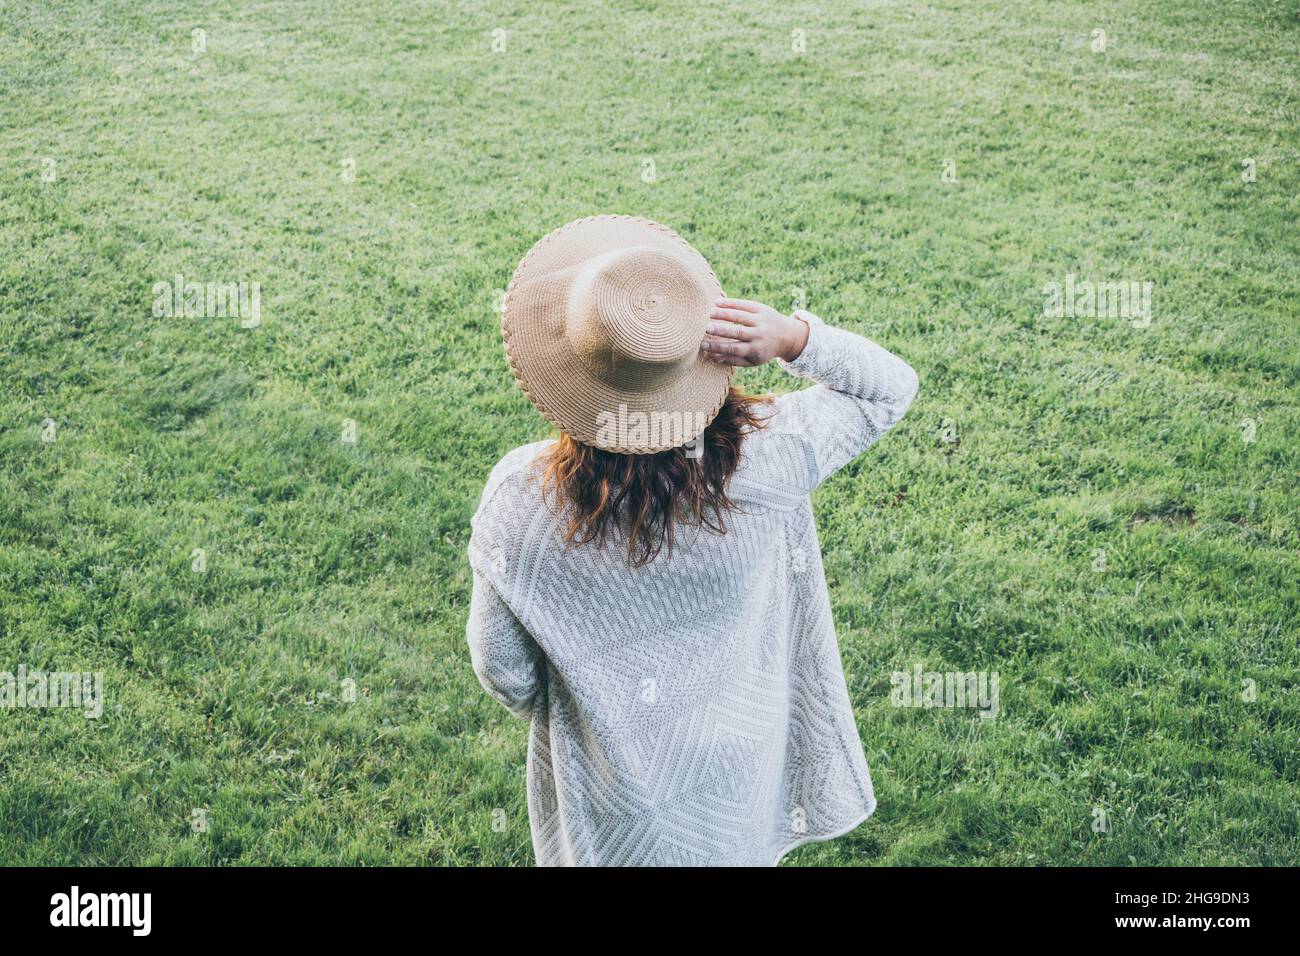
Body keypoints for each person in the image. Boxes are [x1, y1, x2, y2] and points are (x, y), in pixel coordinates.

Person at [467, 215, 918, 865]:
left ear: (571, 366)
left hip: (611, 794)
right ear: (707, 349)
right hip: (741, 765)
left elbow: (502, 669)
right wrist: (795, 338)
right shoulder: (775, 458)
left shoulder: (519, 504)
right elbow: (889, 391)